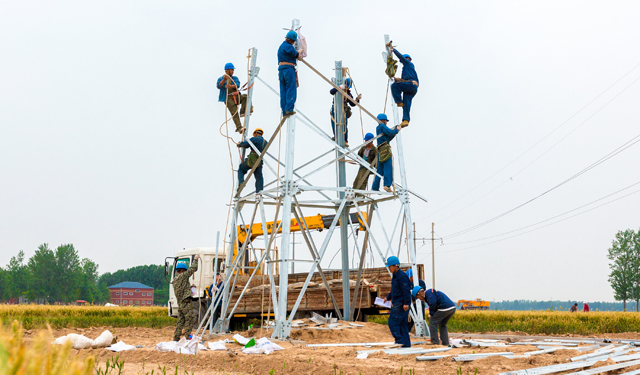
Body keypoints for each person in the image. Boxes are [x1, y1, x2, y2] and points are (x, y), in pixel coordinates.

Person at [387, 42, 419, 128]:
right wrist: (398, 79)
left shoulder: (409, 64)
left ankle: (399, 101)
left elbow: (400, 57)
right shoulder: (406, 69)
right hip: (412, 87)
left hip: (411, 85)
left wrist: (393, 49)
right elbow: (405, 80)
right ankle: (406, 120)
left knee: (394, 86)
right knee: (407, 104)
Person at [384, 256, 412, 348]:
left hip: (401, 304)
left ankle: (399, 341)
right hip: (398, 302)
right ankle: (406, 345)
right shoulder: (395, 276)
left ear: (396, 266)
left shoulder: (402, 276)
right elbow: (394, 290)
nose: (389, 268)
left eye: (390, 266)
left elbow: (406, 290)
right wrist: (387, 298)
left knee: (393, 322)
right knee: (403, 325)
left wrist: (406, 303)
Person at [217, 63, 251, 134]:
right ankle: (239, 128)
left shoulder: (234, 78)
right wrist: (224, 80)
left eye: (233, 70)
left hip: (235, 96)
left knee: (246, 97)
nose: (233, 71)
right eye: (231, 70)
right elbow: (219, 86)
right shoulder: (221, 78)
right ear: (227, 70)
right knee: (234, 113)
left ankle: (242, 112)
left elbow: (237, 85)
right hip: (228, 98)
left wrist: (231, 86)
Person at [172, 255, 200, 341]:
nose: (185, 272)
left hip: (180, 303)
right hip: (186, 302)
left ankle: (176, 339)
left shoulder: (175, 279)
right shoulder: (182, 276)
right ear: (182, 270)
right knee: (190, 318)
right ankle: (188, 338)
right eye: (184, 270)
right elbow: (192, 270)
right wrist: (195, 259)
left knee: (180, 321)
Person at [371, 113, 401, 193]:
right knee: (388, 167)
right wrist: (397, 130)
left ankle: (375, 187)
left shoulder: (378, 128)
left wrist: (394, 132)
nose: (386, 122)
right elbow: (390, 132)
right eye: (385, 121)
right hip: (385, 149)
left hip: (380, 150)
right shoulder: (382, 126)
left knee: (379, 169)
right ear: (383, 120)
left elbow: (388, 136)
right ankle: (387, 185)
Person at [330, 78, 362, 146]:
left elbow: (352, 103)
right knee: (333, 122)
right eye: (346, 86)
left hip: (343, 110)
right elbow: (331, 92)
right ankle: (336, 136)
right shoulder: (338, 89)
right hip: (335, 108)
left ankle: (345, 140)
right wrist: (339, 88)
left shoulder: (348, 94)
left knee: (344, 125)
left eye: (348, 87)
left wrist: (357, 99)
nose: (347, 88)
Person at [237, 128, 267, 193]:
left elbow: (246, 144)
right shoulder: (265, 142)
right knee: (259, 177)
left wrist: (240, 144)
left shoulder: (254, 139)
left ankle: (241, 182)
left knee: (241, 168)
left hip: (252, 160)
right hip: (259, 162)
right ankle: (259, 192)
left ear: (256, 133)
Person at [278, 30, 299, 117]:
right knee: (291, 88)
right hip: (288, 69)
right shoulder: (288, 46)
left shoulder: (281, 46)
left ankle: (284, 110)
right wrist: (299, 51)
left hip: (281, 70)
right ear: (291, 40)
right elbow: (296, 55)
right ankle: (289, 109)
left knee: (283, 91)